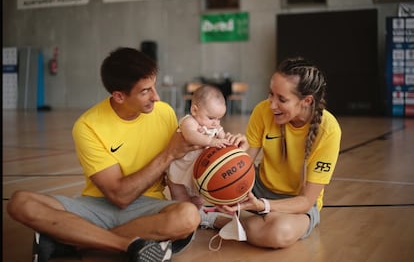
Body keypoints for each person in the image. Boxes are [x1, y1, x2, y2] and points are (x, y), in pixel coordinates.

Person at [7, 47, 202, 262]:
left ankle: (73, 241)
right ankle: (128, 244)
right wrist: (168, 154)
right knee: (20, 202)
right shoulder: (87, 125)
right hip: (97, 205)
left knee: (188, 216)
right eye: (145, 91)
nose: (155, 97)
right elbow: (120, 197)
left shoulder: (164, 113)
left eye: (153, 86)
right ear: (119, 96)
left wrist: (226, 146)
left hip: (148, 206)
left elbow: (187, 160)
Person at [203, 57, 342, 249]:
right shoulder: (262, 111)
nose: (272, 104)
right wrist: (233, 152)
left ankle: (218, 220)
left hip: (296, 203)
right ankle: (245, 218)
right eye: (271, 94)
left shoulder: (329, 130)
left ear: (306, 101)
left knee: (279, 234)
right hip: (258, 188)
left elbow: (306, 201)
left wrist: (263, 206)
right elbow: (244, 164)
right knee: (210, 186)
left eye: (282, 99)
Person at [167, 84, 231, 208]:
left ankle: (198, 215)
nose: (215, 123)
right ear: (194, 110)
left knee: (198, 202)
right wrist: (211, 142)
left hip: (196, 172)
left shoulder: (215, 127)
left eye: (219, 119)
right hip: (179, 170)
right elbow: (191, 136)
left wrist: (229, 142)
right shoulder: (189, 122)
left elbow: (224, 139)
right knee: (180, 200)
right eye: (211, 118)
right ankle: (181, 218)